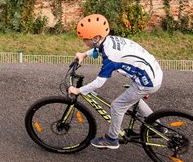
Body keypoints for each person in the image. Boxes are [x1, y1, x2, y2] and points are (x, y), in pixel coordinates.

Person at [67, 13, 163, 149]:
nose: (84, 42)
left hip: (147, 81)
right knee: (133, 97)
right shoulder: (109, 40)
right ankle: (157, 126)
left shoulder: (111, 57)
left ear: (96, 38)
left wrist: (78, 90)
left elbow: (99, 83)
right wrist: (84, 54)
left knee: (117, 106)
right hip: (152, 72)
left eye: (85, 39)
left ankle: (111, 139)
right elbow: (98, 50)